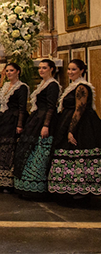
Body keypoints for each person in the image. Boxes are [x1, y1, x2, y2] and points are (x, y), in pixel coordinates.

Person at [48, 59, 101, 197]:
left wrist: (71, 130)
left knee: (79, 153)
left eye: (74, 69)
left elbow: (79, 110)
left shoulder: (82, 87)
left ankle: (82, 190)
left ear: (82, 71)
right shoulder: (73, 86)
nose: (70, 72)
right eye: (69, 69)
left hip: (82, 125)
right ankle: (70, 188)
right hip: (68, 121)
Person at [14, 59, 61, 195]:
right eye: (40, 68)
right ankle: (26, 185)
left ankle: (37, 188)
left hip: (44, 120)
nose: (41, 70)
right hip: (36, 118)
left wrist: (46, 125)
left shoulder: (53, 85)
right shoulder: (43, 84)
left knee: (40, 152)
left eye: (44, 68)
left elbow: (51, 107)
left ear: (51, 69)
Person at [0, 63, 29, 189]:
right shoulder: (5, 85)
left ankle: (9, 181)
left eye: (11, 70)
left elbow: (22, 107)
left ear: (18, 71)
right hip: (2, 118)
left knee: (10, 147)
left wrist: (19, 124)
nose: (9, 73)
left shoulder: (22, 87)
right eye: (7, 71)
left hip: (13, 119)